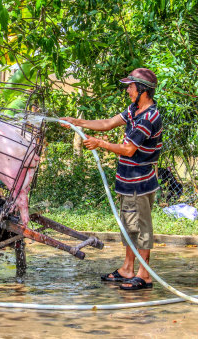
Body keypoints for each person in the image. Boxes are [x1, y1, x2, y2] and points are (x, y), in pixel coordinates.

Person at [60, 68, 162, 290]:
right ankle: (127, 268)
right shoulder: (134, 110)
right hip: (127, 181)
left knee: (142, 229)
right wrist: (77, 122)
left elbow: (128, 150)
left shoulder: (149, 117)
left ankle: (144, 275)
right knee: (129, 227)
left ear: (142, 90)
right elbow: (108, 123)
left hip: (140, 182)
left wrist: (101, 144)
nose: (128, 90)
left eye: (131, 87)